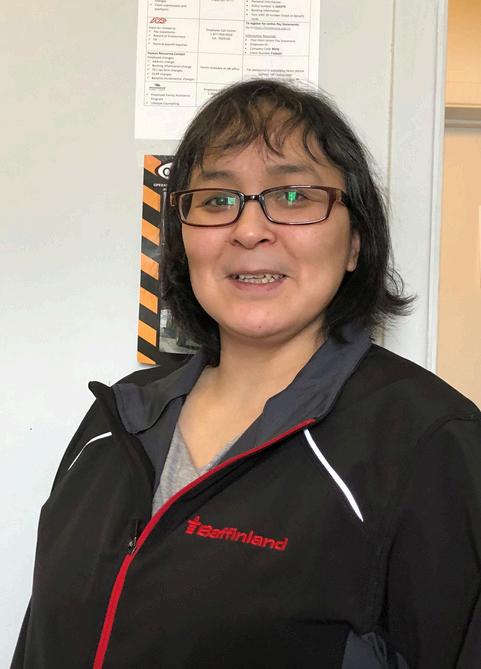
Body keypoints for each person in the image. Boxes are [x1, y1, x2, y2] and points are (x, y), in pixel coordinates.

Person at [12, 79, 481, 669]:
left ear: (355, 242)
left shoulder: (429, 441)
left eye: (293, 195)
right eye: (216, 199)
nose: (249, 229)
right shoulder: (118, 418)